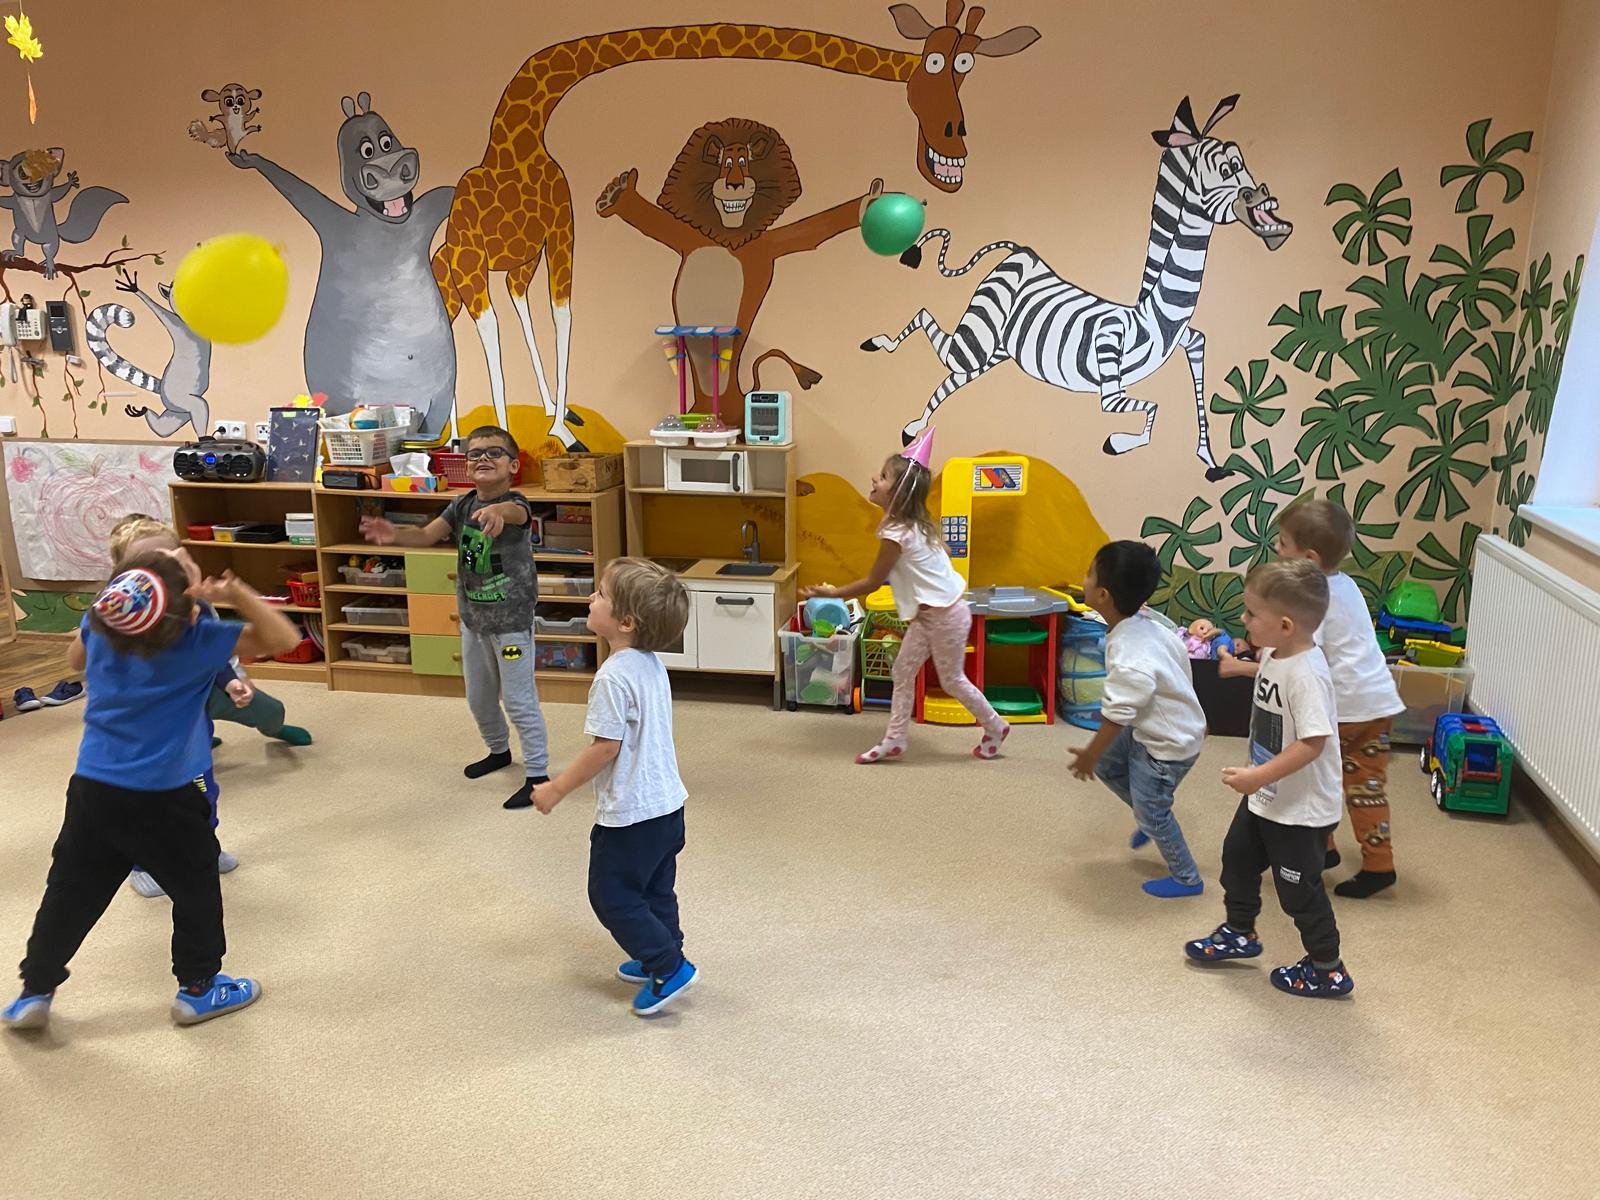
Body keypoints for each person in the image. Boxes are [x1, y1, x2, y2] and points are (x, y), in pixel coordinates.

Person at [3, 553, 301, 1031]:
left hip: (93, 789)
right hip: (165, 797)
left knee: (71, 890)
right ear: (188, 607)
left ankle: (34, 992)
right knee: (196, 888)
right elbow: (284, 639)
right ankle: (199, 991)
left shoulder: (101, 626)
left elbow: (75, 659)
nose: (182, 556)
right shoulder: (198, 639)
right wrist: (235, 594)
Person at [109, 515, 312, 897]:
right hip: (143, 742)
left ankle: (204, 846)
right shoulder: (120, 616)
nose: (161, 571)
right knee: (147, 805)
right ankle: (143, 865)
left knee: (202, 795)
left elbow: (214, 651)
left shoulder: (196, 608)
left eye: (168, 558)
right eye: (146, 564)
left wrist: (231, 680)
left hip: (193, 731)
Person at [532, 559, 698, 1017]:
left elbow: (605, 748)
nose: (591, 597)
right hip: (668, 806)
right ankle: (661, 953)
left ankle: (668, 966)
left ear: (625, 621)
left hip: (632, 816)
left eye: (601, 594)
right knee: (655, 890)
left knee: (612, 895)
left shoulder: (611, 676)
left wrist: (556, 788)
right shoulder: (650, 664)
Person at [1185, 559, 1353, 998]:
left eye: (1251, 613)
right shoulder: (1276, 653)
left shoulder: (1308, 675)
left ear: (1284, 624)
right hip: (1267, 795)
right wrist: (1238, 669)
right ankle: (1240, 931)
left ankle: (1327, 968)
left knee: (1297, 891)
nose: (1243, 620)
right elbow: (1269, 682)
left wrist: (1258, 775)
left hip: (1300, 810)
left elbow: (1312, 742)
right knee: (1237, 859)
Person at [1220, 500, 1404, 899]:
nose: (1276, 548)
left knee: (1319, 774)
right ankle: (1342, 852)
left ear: (1309, 559)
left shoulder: (1312, 603)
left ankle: (1369, 864)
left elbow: (1296, 658)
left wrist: (1240, 667)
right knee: (1359, 783)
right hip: (1375, 702)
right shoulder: (1345, 585)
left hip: (1346, 709)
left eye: (1283, 544)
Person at [361, 425, 550, 809]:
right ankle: (498, 751)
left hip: (511, 625)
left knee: (518, 701)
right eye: (474, 453)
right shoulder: (461, 505)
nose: (483, 458)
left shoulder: (516, 503)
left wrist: (496, 511)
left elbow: (516, 514)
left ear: (513, 465)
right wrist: (393, 533)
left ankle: (537, 776)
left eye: (494, 452)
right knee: (479, 698)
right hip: (473, 621)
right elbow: (426, 536)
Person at [801, 429, 1008, 764]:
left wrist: (833, 593)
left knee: (952, 680)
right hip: (929, 616)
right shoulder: (915, 524)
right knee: (902, 671)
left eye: (883, 477)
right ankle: (895, 739)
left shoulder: (898, 534)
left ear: (899, 493)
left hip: (946, 616)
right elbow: (935, 557)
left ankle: (995, 725)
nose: (874, 478)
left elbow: (873, 582)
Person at [1068, 541, 1208, 898]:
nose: (1083, 579)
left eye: (1089, 573)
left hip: (1167, 747)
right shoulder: (1145, 624)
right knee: (1111, 766)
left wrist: (1089, 754)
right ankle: (1148, 811)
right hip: (1156, 729)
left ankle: (1186, 877)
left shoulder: (1132, 654)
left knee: (1150, 808)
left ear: (1103, 595)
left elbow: (1115, 716)